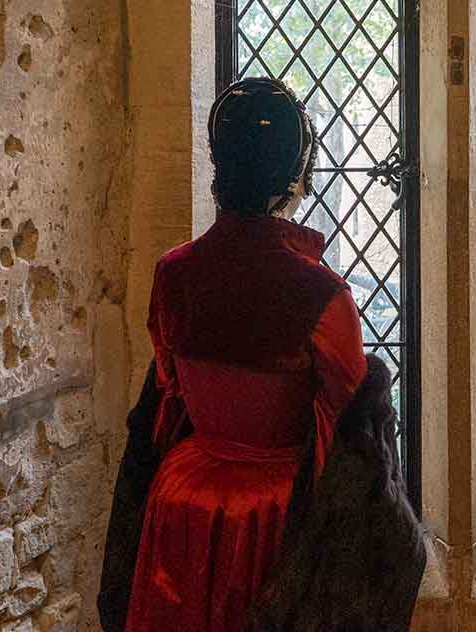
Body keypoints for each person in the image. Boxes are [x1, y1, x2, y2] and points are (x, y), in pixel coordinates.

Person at [99, 77, 421, 632]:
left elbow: (170, 391)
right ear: (296, 174)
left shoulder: (173, 273)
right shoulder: (323, 294)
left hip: (184, 499)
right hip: (271, 514)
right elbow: (346, 436)